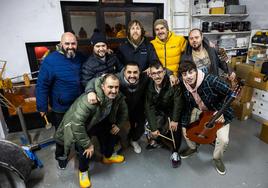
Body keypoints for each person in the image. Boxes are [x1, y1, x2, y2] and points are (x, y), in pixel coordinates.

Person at [54, 74, 128, 188]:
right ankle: (83, 171)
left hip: (99, 121)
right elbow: (77, 124)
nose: (114, 90)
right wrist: (88, 144)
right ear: (103, 87)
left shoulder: (118, 96)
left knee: (112, 133)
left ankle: (107, 156)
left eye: (116, 87)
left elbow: (124, 111)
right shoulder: (89, 100)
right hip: (82, 126)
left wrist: (118, 125)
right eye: (110, 87)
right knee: (84, 148)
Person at [178, 60, 234, 175]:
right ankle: (193, 148)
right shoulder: (184, 86)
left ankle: (217, 158)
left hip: (219, 113)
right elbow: (187, 107)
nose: (188, 76)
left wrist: (221, 111)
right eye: (184, 74)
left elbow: (230, 94)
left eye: (191, 72)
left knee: (224, 140)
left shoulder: (211, 80)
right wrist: (183, 125)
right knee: (186, 130)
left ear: (196, 71)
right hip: (200, 111)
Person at [86, 62, 149, 154]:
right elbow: (95, 81)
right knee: (112, 127)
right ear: (124, 72)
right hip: (119, 107)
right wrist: (90, 91)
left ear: (140, 72)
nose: (132, 75)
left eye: (135, 72)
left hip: (135, 106)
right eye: (129, 72)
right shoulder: (116, 78)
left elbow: (161, 70)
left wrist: (171, 75)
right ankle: (114, 143)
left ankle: (133, 139)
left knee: (140, 125)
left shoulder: (144, 77)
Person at [36, 32, 86, 130]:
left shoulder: (81, 57)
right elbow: (42, 84)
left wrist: (106, 52)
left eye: (73, 43)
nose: (70, 47)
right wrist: (42, 106)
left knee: (80, 132)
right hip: (61, 108)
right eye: (67, 44)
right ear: (61, 44)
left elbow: (92, 65)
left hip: (79, 105)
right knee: (62, 136)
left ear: (77, 44)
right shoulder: (50, 60)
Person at [144, 61, 183, 168]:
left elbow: (178, 103)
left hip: (172, 110)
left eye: (160, 72)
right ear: (150, 75)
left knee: (175, 129)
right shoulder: (149, 85)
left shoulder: (173, 83)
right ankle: (157, 141)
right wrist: (153, 127)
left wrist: (175, 120)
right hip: (159, 110)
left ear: (164, 72)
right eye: (154, 73)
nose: (157, 76)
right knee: (152, 127)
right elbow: (149, 107)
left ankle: (175, 152)